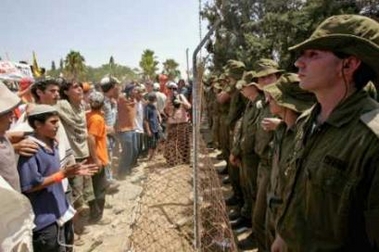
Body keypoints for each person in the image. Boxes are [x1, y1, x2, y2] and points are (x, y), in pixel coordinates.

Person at [273, 14, 379, 252]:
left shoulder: (371, 140)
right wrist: (284, 235)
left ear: (349, 65)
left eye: (313, 55)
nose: (299, 63)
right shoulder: (307, 120)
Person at [18, 104, 90, 252]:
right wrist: (62, 175)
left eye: (58, 122)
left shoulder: (52, 144)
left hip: (60, 212)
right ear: (37, 124)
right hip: (45, 220)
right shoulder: (31, 149)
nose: (57, 126)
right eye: (53, 122)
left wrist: (71, 172)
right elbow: (30, 186)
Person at [262, 73, 316, 249]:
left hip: (288, 219)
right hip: (274, 208)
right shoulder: (282, 131)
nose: (268, 99)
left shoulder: (305, 138)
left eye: (274, 96)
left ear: (287, 103)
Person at [86, 92, 111, 224]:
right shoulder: (97, 119)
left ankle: (94, 213)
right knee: (99, 188)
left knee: (94, 187)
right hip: (98, 158)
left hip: (92, 158)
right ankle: (96, 216)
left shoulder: (89, 115)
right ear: (102, 104)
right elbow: (91, 137)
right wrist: (96, 159)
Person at [163, 81, 191, 166]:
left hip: (182, 123)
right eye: (170, 88)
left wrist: (180, 102)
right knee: (171, 143)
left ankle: (182, 160)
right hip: (172, 124)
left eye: (174, 88)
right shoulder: (167, 98)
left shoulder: (180, 96)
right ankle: (172, 161)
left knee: (182, 143)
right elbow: (165, 112)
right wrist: (168, 105)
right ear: (167, 89)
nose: (172, 90)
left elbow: (189, 106)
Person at [115, 83, 138, 178]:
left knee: (134, 151)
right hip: (124, 130)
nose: (136, 91)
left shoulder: (133, 100)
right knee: (127, 153)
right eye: (134, 90)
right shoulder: (121, 100)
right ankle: (121, 173)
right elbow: (117, 97)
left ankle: (127, 169)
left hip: (132, 129)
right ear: (129, 91)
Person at [144, 92, 160, 160]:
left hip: (156, 127)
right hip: (151, 128)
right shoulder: (147, 108)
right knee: (151, 143)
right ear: (154, 99)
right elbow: (146, 120)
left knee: (156, 141)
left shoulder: (153, 106)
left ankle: (153, 156)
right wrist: (148, 130)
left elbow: (156, 114)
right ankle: (150, 157)